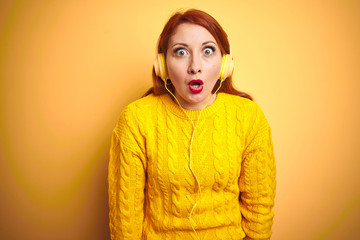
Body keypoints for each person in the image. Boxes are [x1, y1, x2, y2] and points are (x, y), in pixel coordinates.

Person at [108, 9, 276, 240]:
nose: (195, 66)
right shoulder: (136, 119)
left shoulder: (249, 117)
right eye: (181, 52)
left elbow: (260, 211)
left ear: (225, 64)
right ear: (162, 65)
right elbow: (125, 218)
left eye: (208, 51)